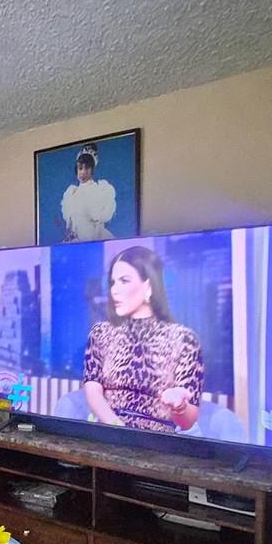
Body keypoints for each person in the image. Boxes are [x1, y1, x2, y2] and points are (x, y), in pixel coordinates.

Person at [81, 246, 204, 433]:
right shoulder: (101, 332)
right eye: (113, 282)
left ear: (149, 286)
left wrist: (179, 406)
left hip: (157, 443)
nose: (114, 290)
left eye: (124, 281)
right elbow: (92, 390)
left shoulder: (184, 339)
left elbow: (187, 421)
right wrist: (117, 428)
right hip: (108, 433)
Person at [60, 147, 116, 241]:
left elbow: (99, 221)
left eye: (87, 168)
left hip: (95, 238)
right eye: (80, 168)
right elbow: (70, 224)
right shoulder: (72, 193)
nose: (83, 172)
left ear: (92, 170)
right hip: (76, 242)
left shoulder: (99, 189)